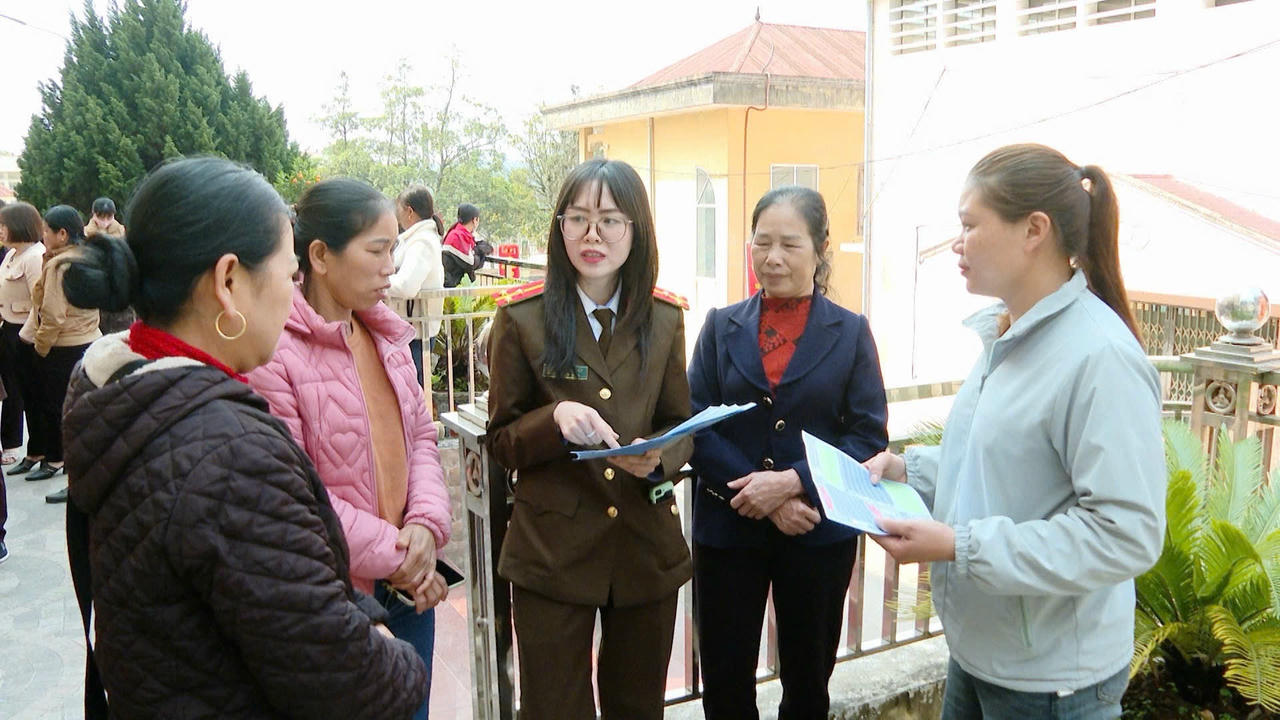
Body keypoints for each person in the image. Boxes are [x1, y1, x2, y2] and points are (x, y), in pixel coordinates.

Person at [60, 156, 428, 719]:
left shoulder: (129, 395)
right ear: (229, 281)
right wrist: (390, 650)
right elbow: (352, 682)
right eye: (286, 274)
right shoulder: (227, 452)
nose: (291, 295)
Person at [863, 144, 1165, 720]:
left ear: (1034, 230)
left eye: (970, 225)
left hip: (1052, 682)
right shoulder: (1010, 332)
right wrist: (908, 470)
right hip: (981, 654)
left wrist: (959, 545)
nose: (957, 242)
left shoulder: (1099, 357)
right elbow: (999, 458)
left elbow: (1127, 532)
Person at [486, 158, 693, 720]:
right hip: (551, 551)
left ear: (637, 230)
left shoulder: (664, 317)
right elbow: (502, 440)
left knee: (638, 707)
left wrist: (657, 461)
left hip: (643, 546)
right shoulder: (522, 318)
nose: (592, 235)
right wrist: (553, 419)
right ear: (560, 230)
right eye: (577, 219)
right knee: (554, 708)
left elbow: (680, 424)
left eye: (609, 220)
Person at [248, 178, 452, 720]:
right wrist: (403, 557)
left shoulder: (387, 336)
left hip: (410, 591)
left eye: (395, 248)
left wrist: (426, 527)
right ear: (319, 255)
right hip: (340, 602)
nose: (391, 265)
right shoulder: (276, 354)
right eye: (377, 249)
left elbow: (423, 439)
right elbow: (295, 494)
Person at [687, 186, 889, 720]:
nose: (772, 258)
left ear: (821, 248)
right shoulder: (719, 326)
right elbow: (695, 425)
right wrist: (763, 492)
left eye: (789, 245)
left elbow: (868, 436)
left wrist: (795, 481)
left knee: (808, 680)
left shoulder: (849, 333)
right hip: (730, 528)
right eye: (762, 243)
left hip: (816, 531)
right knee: (726, 682)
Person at [19, 205, 101, 496]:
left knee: (62, 413)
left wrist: (40, 347)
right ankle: (68, 469)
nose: (42, 235)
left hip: (63, 347)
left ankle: (72, 476)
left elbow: (53, 315)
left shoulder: (60, 266)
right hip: (88, 341)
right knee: (79, 410)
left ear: (62, 234)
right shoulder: (88, 257)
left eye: (46, 230)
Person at [0, 202, 45, 477]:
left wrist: (25, 338)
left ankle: (39, 450)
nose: (1, 230)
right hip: (7, 329)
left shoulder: (35, 256)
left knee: (29, 394)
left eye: (4, 225)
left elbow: (39, 304)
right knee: (15, 391)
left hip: (24, 335)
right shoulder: (11, 255)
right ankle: (29, 450)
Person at [388, 185, 445, 386]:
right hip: (410, 329)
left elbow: (406, 286)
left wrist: (378, 284)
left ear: (409, 211)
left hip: (415, 333)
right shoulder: (416, 240)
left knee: (412, 390)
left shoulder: (422, 242)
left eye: (399, 210)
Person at [441, 203, 486, 287]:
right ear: (474, 220)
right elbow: (471, 263)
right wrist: (479, 254)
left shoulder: (462, 233)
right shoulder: (457, 236)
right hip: (452, 285)